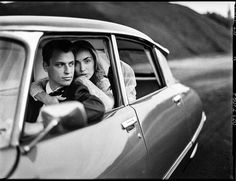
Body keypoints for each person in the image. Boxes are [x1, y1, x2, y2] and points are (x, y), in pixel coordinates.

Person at [24, 40, 105, 135]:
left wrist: (44, 125)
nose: (68, 71)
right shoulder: (32, 92)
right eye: (60, 65)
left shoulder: (77, 89)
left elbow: (97, 107)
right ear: (45, 66)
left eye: (71, 64)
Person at [31, 40, 114, 112]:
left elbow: (108, 105)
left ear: (95, 61)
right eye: (76, 63)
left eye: (87, 61)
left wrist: (82, 80)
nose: (82, 68)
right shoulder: (65, 81)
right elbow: (34, 85)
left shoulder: (102, 81)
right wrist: (46, 98)